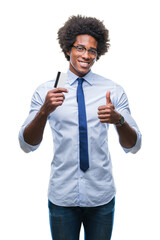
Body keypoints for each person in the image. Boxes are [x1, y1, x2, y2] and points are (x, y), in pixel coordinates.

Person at [19, 15, 142, 240]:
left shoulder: (112, 90)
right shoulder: (48, 90)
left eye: (92, 51)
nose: (86, 56)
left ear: (98, 54)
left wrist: (119, 121)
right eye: (80, 48)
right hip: (62, 197)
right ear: (68, 49)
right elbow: (26, 144)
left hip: (101, 196)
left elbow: (134, 145)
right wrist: (44, 111)